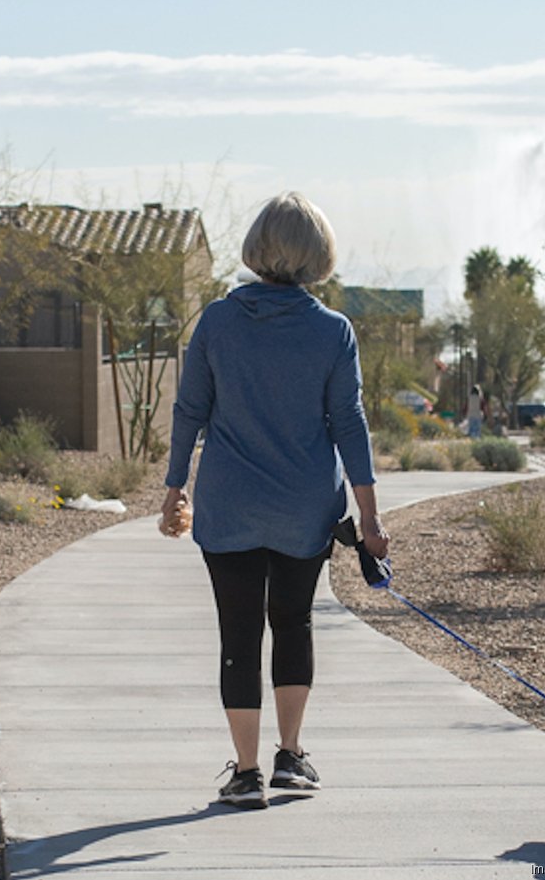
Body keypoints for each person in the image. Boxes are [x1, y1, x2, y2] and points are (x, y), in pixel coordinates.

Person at [160, 192, 389, 809]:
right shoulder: (332, 331)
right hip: (303, 508)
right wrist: (368, 515)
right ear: (317, 255)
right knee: (293, 622)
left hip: (228, 504)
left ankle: (245, 772)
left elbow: (190, 412)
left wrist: (174, 487)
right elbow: (349, 422)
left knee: (239, 634)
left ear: (258, 247)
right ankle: (291, 757)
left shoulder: (215, 321)